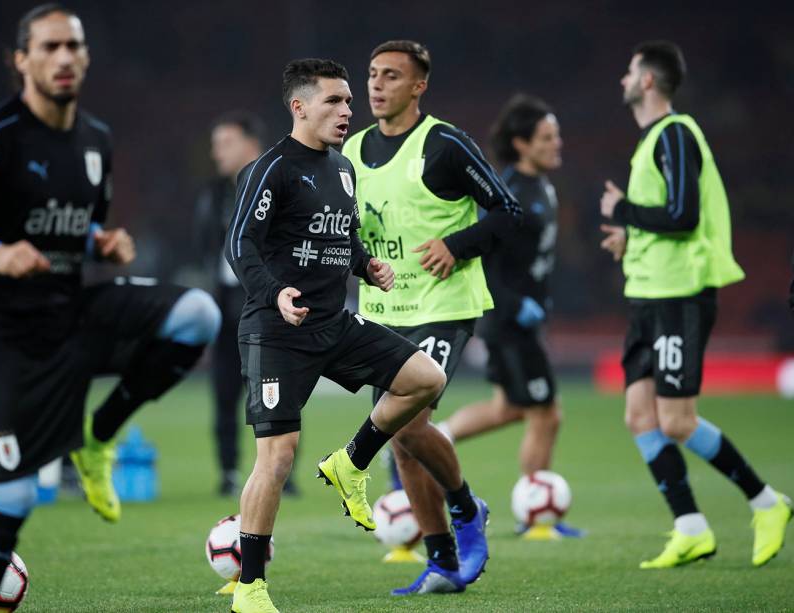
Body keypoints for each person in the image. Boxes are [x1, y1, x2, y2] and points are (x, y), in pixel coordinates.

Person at [0, 5, 220, 611]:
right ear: (21, 60)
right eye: (49, 46)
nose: (63, 58)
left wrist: (100, 243)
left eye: (73, 46)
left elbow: (72, 231)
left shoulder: (96, 141)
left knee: (199, 315)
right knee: (15, 497)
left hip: (69, 313)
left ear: (86, 58)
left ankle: (98, 437)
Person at [225, 58, 447, 613]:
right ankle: (250, 587)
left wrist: (365, 265)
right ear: (299, 107)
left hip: (334, 324)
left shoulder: (343, 168)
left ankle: (351, 461)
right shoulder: (270, 169)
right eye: (334, 101)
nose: (348, 110)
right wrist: (274, 292)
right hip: (278, 330)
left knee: (426, 379)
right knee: (277, 458)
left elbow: (340, 237)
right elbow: (240, 244)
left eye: (348, 100)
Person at [599, 40, 791, 569]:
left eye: (629, 71)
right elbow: (665, 218)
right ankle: (690, 527)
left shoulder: (676, 134)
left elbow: (683, 216)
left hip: (678, 295)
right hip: (647, 294)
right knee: (640, 415)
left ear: (647, 81)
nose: (622, 79)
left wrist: (625, 210)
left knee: (677, 421)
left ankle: (767, 502)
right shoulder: (652, 141)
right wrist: (630, 238)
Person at [342, 40, 521, 594]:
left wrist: (456, 245)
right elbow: (346, 228)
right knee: (401, 439)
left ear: (419, 86)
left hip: (443, 308)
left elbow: (507, 211)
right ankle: (442, 561)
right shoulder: (351, 150)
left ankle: (465, 507)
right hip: (383, 313)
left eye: (392, 76)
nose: (377, 85)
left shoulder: (444, 144)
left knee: (408, 423)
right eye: (373, 74)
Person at [437, 94, 581, 539]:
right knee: (545, 413)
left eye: (556, 135)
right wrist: (518, 304)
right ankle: (535, 516)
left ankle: (433, 438)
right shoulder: (510, 192)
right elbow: (483, 259)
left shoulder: (542, 187)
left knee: (509, 408)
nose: (557, 143)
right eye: (547, 137)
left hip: (522, 319)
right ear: (521, 144)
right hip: (509, 321)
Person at [194, 111, 267, 496]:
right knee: (223, 391)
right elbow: (203, 245)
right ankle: (227, 471)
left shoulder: (276, 182)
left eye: (225, 143)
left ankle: (278, 472)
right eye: (215, 144)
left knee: (271, 389)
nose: (216, 152)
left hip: (264, 303)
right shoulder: (215, 193)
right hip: (224, 304)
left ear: (250, 143)